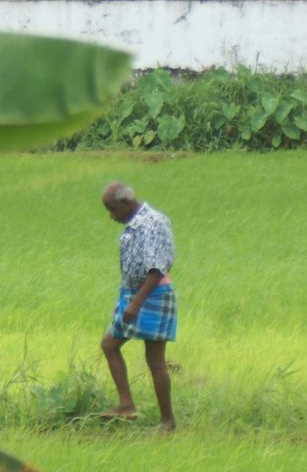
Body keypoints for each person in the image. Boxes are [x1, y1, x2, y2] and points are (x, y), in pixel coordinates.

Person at [98, 181, 176, 429]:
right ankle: (126, 405)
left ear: (126, 203)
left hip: (151, 294)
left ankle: (167, 422)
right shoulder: (137, 223)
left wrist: (136, 303)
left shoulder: (150, 223)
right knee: (109, 345)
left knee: (154, 360)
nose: (111, 216)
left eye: (111, 209)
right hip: (134, 294)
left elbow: (157, 269)